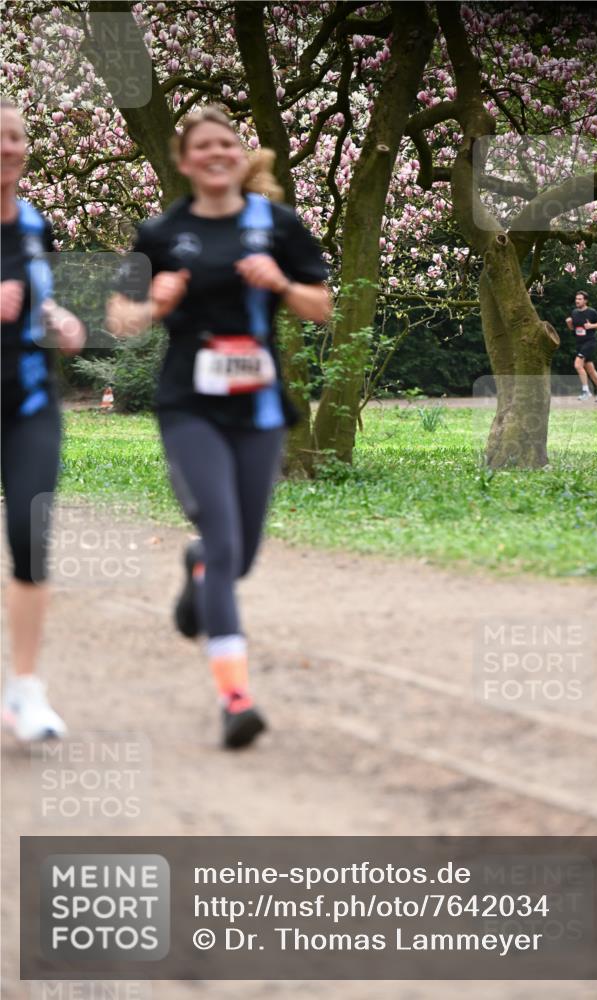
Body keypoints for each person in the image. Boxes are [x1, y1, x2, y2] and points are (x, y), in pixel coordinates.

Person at [107, 106, 331, 749]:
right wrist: (158, 304)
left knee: (240, 553)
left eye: (225, 143)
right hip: (190, 404)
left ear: (239, 154)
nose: (215, 153)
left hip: (259, 403)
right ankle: (236, 696)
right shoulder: (159, 232)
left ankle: (200, 567)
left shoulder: (277, 225)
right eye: (201, 146)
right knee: (223, 529)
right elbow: (121, 318)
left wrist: (281, 283)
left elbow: (321, 308)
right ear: (184, 162)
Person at [1, 98, 86, 741]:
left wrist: (59, 321)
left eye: (14, 137)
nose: (6, 148)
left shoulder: (35, 226)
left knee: (31, 538)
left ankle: (25, 691)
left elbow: (41, 295)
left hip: (29, 404)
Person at [565, 290, 597, 402]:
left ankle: (586, 391)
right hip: (580, 343)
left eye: (580, 299)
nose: (577, 301)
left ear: (585, 301)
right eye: (576, 299)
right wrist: (569, 323)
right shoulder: (574, 312)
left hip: (590, 342)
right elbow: (573, 329)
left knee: (577, 365)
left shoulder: (591, 312)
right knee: (590, 369)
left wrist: (591, 326)